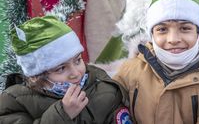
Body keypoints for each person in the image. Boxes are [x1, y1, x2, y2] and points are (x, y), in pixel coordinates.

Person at [0, 16, 131, 123]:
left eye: (78, 60)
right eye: (61, 68)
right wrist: (63, 114)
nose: (75, 73)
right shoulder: (14, 101)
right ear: (36, 76)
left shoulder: (104, 87)